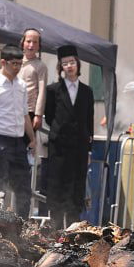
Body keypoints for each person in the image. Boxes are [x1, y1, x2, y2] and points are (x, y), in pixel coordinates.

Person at [42, 45, 95, 228]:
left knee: (76, 188)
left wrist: (89, 149)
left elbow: (90, 121)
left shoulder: (87, 91)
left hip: (79, 147)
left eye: (72, 62)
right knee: (57, 186)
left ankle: (74, 229)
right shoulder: (53, 90)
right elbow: (49, 116)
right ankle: (55, 229)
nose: (69, 66)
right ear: (60, 67)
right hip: (59, 146)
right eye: (65, 63)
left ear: (78, 64)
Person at [0, 45, 36, 216]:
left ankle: (21, 229)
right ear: (3, 62)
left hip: (19, 142)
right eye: (14, 64)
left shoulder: (21, 85)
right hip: (0, 140)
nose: (17, 67)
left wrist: (32, 138)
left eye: (20, 64)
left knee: (24, 190)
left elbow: (25, 113)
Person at [18, 28, 47, 131]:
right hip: (13, 108)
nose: (31, 45)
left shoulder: (40, 66)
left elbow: (42, 91)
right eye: (28, 41)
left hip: (29, 111)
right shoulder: (15, 61)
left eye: (35, 42)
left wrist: (38, 114)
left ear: (39, 46)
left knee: (27, 144)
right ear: (23, 43)